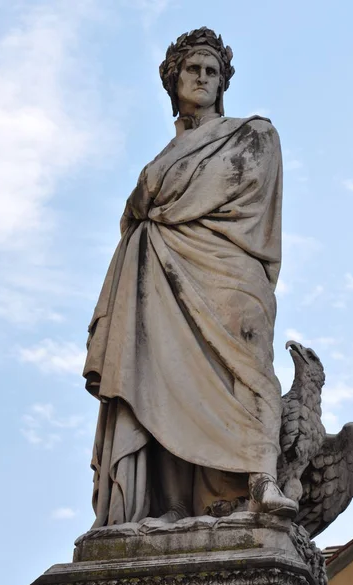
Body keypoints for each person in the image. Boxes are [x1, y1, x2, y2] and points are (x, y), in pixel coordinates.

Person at [83, 27, 297, 527]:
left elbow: (235, 188)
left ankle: (260, 478)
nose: (202, 78)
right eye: (192, 70)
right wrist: (151, 207)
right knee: (162, 375)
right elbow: (136, 212)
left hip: (232, 268)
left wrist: (157, 205)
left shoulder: (253, 135)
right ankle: (174, 504)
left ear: (223, 83)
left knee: (249, 365)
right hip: (163, 270)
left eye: (212, 72)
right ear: (173, 80)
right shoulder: (161, 160)